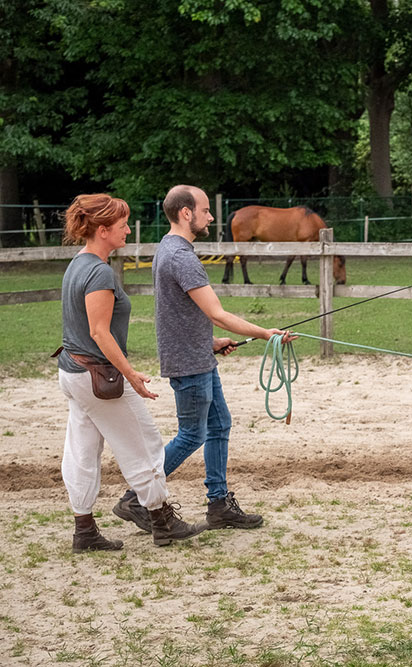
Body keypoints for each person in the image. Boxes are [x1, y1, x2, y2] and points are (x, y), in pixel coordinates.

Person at [114, 185, 292, 532]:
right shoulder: (181, 256)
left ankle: (219, 503)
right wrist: (265, 333)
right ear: (186, 213)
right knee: (192, 435)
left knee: (219, 425)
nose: (211, 217)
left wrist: (210, 343)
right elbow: (217, 313)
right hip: (189, 363)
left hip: (197, 355)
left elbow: (178, 313)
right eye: (206, 211)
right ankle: (136, 496)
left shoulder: (168, 248)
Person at [57, 193, 205, 551]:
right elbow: (99, 332)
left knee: (82, 451)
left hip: (73, 373)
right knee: (144, 445)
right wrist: (132, 374)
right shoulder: (98, 272)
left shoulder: (77, 264)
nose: (127, 230)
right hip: (99, 378)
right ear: (103, 230)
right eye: (122, 225)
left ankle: (84, 530)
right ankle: (161, 520)